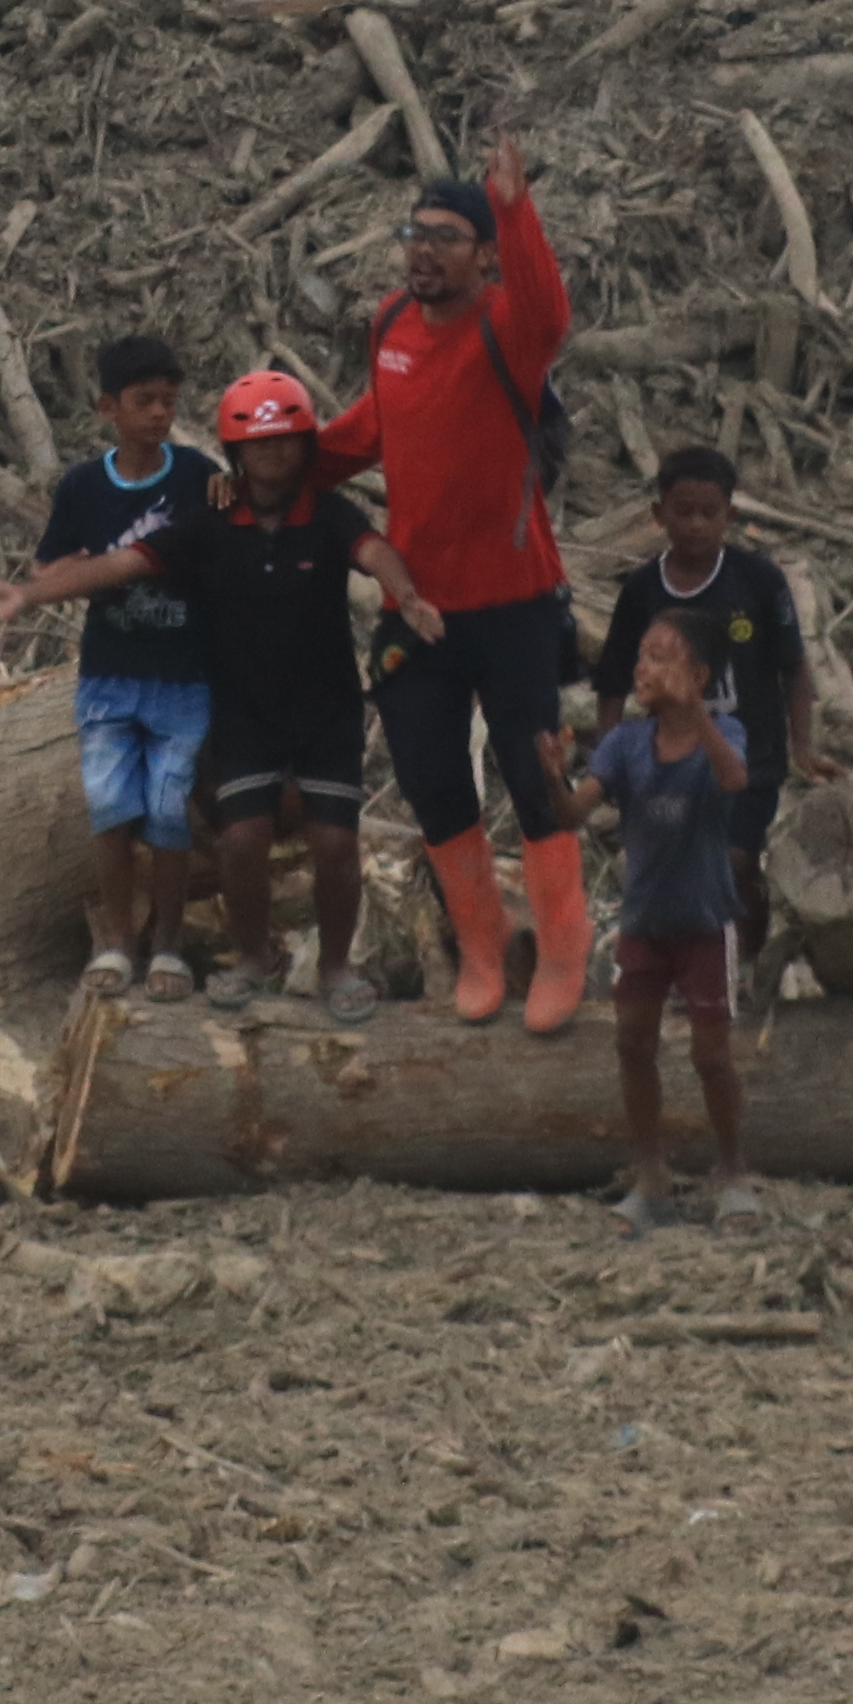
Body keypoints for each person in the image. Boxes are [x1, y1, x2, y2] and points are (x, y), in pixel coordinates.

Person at [0, 369, 442, 1015]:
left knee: (335, 843)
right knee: (242, 840)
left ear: (306, 446)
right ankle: (251, 957)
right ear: (236, 453)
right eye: (258, 445)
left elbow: (373, 550)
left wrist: (407, 594)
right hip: (243, 712)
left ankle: (337, 968)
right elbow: (121, 564)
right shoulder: (211, 522)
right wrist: (26, 594)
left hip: (326, 710)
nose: (273, 455)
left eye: (286, 442)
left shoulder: (329, 512)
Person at [311, 134, 590, 1032]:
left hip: (512, 603)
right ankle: (482, 944)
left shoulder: (511, 326)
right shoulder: (392, 321)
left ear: (481, 256)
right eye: (413, 233)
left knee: (533, 776)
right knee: (432, 779)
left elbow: (551, 313)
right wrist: (282, 462)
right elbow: (371, 426)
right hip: (417, 608)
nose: (423, 250)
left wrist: (515, 206)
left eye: (445, 236)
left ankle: (562, 950)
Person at [0, 334, 218, 996]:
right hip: (109, 671)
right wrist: (36, 587)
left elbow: (222, 543)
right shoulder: (85, 486)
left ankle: (169, 946)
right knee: (112, 812)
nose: (158, 414)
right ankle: (116, 941)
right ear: (107, 406)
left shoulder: (199, 475)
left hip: (183, 671)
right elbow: (53, 564)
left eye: (169, 401)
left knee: (171, 813)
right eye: (144, 401)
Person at [597, 445, 831, 990]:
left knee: (736, 860)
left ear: (730, 515)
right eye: (683, 512)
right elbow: (612, 679)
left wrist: (802, 747)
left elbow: (794, 668)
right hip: (670, 758)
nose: (697, 525)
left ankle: (746, 960)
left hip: (752, 753)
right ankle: (692, 969)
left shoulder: (758, 583)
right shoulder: (641, 591)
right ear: (658, 515)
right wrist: (608, 759)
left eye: (710, 513)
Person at [585, 615, 754, 1230]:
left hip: (707, 922)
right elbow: (576, 808)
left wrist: (699, 714)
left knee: (711, 1055)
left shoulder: (725, 730)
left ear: (698, 676)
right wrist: (548, 776)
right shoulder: (626, 743)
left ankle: (733, 1169)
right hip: (644, 922)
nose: (642, 669)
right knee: (632, 1043)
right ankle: (651, 1175)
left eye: (660, 658)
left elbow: (735, 779)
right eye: (641, 657)